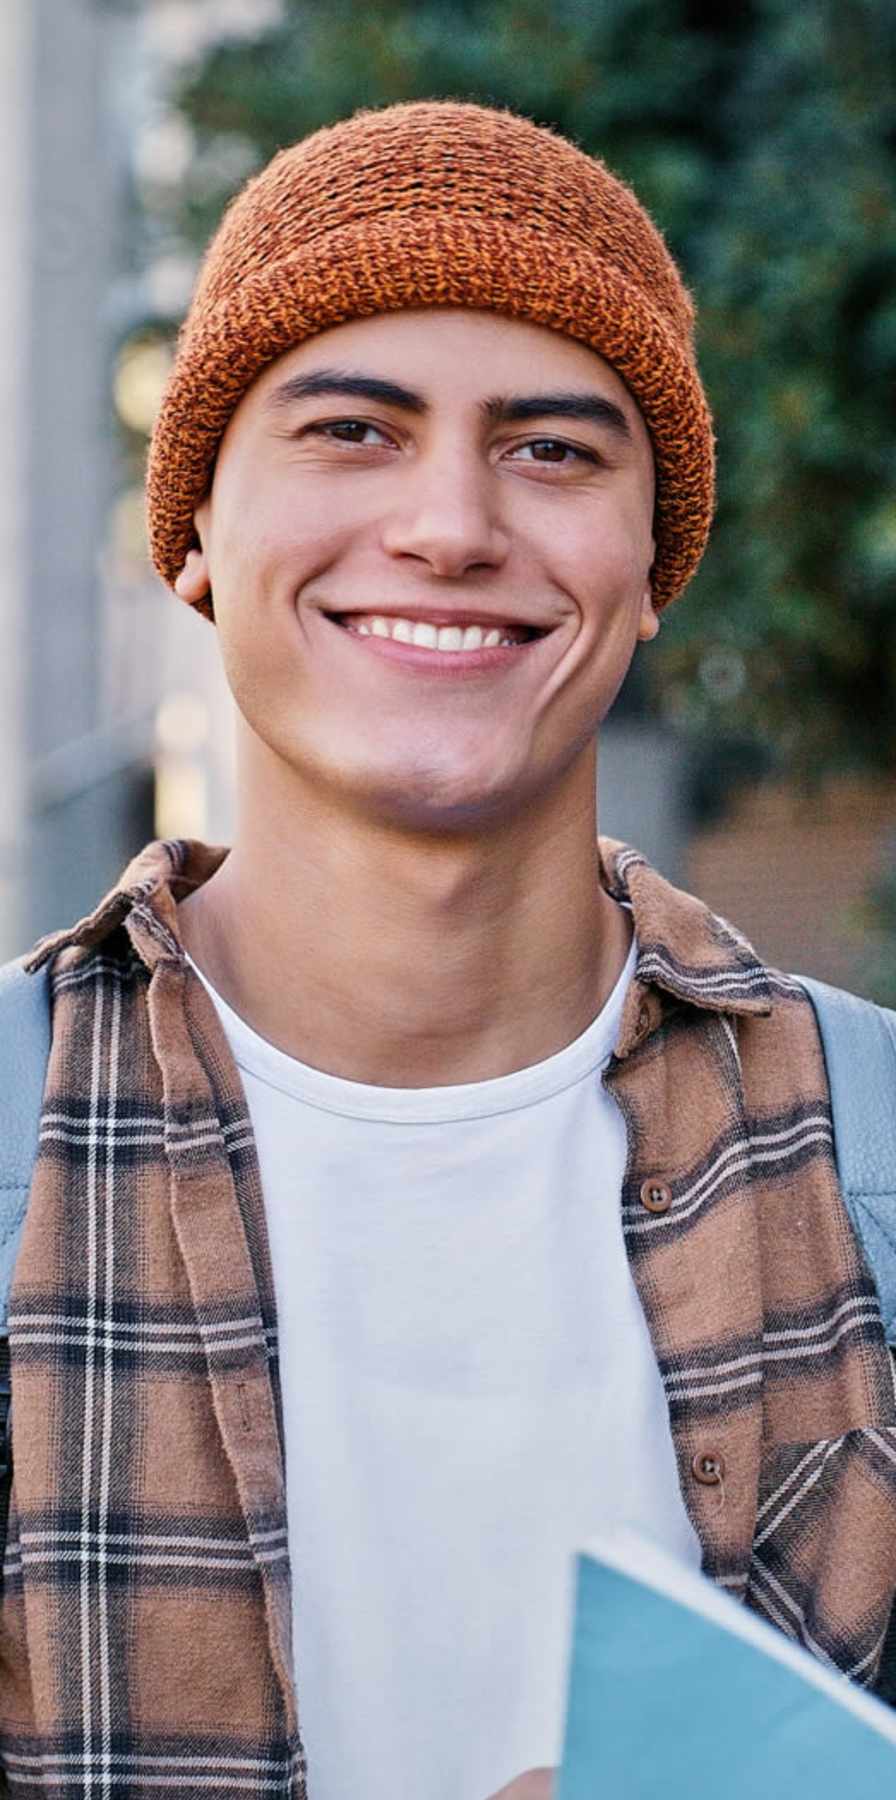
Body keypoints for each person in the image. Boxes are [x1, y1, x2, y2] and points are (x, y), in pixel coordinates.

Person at [2, 97, 895, 1800]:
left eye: (553, 450)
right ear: (192, 534)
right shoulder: (9, 1146)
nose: (452, 525)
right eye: (352, 430)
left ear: (654, 569)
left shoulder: (877, 1158)